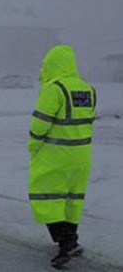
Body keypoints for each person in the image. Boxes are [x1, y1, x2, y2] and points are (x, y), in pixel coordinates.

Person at [27, 45, 96, 269]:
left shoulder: (53, 89)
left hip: (56, 155)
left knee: (45, 197)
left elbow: (40, 123)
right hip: (81, 156)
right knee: (72, 198)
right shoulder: (87, 89)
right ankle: (72, 238)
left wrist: (33, 145)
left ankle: (65, 242)